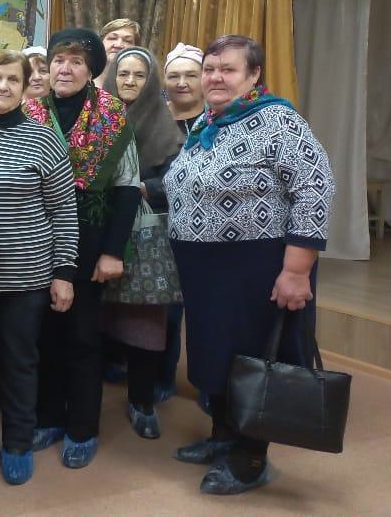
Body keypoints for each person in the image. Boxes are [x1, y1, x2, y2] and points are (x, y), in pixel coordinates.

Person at [164, 35, 335, 495]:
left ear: (254, 74)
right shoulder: (210, 120)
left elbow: (315, 188)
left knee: (255, 359)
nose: (215, 77)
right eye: (210, 69)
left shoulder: (278, 120)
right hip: (206, 268)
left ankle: (250, 457)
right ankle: (223, 436)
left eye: (228, 69)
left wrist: (296, 270)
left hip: (257, 265)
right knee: (217, 354)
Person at [0, 50, 78, 486]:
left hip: (27, 275)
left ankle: (19, 442)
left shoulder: (44, 139)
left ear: (26, 88)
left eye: (12, 79)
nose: (2, 86)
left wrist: (64, 272)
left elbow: (64, 210)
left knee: (19, 362)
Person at [23, 28, 140, 469]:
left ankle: (82, 428)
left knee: (83, 335)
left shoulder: (112, 114)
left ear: (92, 69)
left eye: (76, 61)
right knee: (44, 334)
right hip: (38, 240)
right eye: (58, 60)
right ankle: (49, 417)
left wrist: (113, 252)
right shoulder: (30, 111)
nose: (64, 69)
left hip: (91, 241)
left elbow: (127, 187)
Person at [100, 47, 185, 439]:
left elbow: (176, 180)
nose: (130, 81)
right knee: (92, 322)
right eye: (123, 74)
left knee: (144, 325)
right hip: (98, 231)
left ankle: (142, 401)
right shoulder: (96, 119)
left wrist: (140, 187)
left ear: (151, 82)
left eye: (139, 75)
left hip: (144, 239)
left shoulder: (165, 127)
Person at [158, 42, 205, 402]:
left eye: (190, 75)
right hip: (161, 227)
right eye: (174, 75)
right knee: (166, 313)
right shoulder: (154, 118)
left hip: (208, 233)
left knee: (208, 313)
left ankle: (209, 383)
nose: (182, 82)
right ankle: (162, 378)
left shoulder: (218, 120)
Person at [164, 42, 206, 137]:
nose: (181, 84)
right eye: (173, 76)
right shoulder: (151, 117)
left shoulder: (216, 119)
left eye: (191, 76)